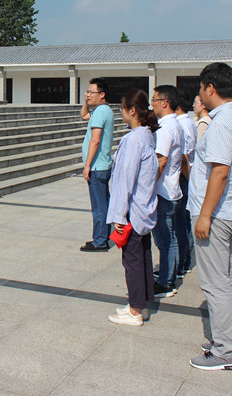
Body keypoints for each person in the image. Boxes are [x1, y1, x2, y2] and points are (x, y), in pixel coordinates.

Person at [187, 62, 232, 371]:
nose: (200, 93)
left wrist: (205, 215)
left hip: (215, 215)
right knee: (228, 280)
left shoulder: (222, 123)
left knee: (215, 284)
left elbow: (220, 172)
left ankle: (225, 351)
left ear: (210, 88)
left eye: (201, 88)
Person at [106, 89, 159, 326]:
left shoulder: (134, 139)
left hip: (133, 210)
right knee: (143, 257)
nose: (121, 112)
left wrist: (119, 214)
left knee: (133, 260)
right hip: (143, 207)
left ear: (132, 110)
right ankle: (141, 304)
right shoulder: (146, 135)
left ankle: (135, 310)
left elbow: (125, 180)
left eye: (123, 108)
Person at [150, 85, 184, 298]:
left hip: (163, 191)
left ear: (164, 102)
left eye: (154, 100)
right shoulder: (176, 124)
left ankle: (166, 282)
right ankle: (169, 273)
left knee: (165, 240)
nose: (151, 104)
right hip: (172, 189)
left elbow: (160, 161)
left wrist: (148, 186)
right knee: (170, 237)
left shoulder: (165, 128)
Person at [80, 78, 115, 252]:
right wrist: (86, 102)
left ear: (102, 94)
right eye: (87, 92)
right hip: (102, 166)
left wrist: (87, 165)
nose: (88, 95)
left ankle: (100, 241)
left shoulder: (100, 112)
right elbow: (83, 115)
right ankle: (101, 236)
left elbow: (95, 140)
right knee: (103, 203)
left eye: (91, 92)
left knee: (99, 206)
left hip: (96, 166)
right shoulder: (102, 110)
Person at [174, 88, 198, 280]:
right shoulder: (189, 122)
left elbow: (183, 159)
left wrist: (188, 180)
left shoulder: (181, 125)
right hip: (186, 176)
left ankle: (181, 264)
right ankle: (186, 261)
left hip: (183, 176)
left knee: (179, 224)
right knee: (184, 223)